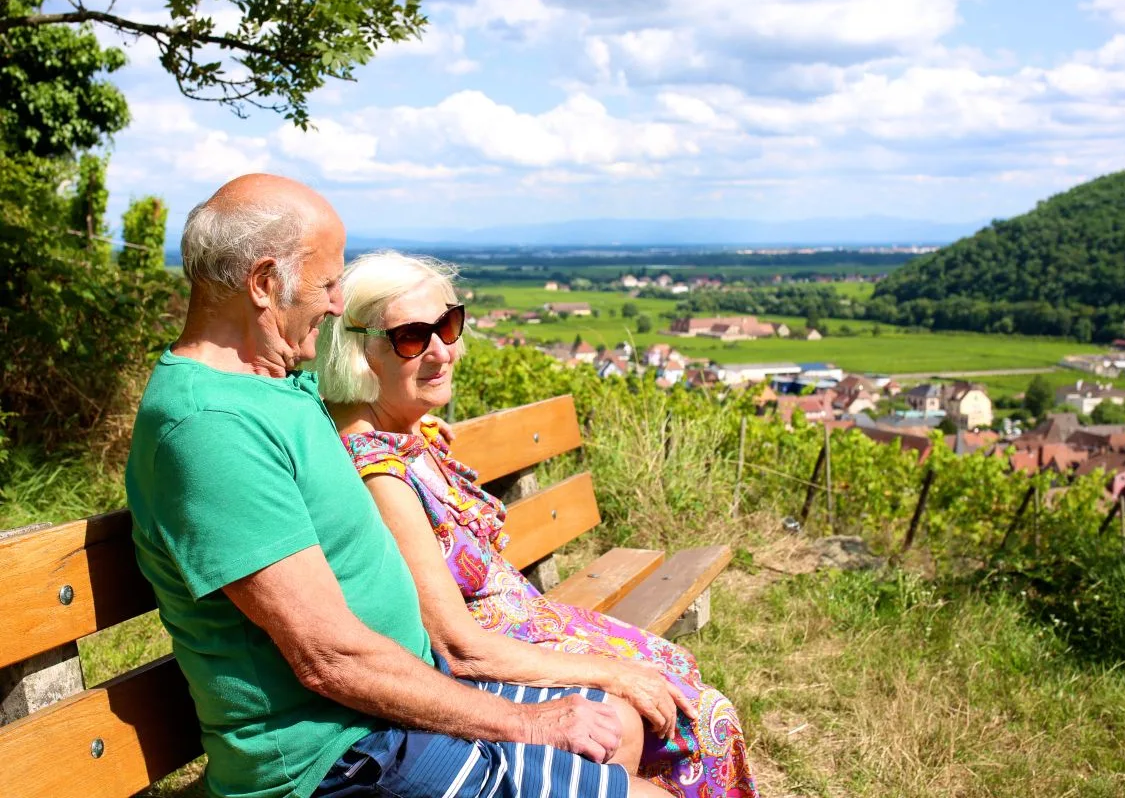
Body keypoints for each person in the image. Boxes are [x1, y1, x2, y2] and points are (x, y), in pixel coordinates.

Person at [125, 174, 671, 798]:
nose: (335, 306)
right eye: (327, 284)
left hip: (396, 700)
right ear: (264, 284)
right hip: (340, 757)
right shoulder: (211, 431)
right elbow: (328, 659)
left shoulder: (269, 381)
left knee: (616, 727)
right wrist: (528, 723)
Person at [314, 251, 759, 798]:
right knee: (694, 712)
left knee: (679, 680)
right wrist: (609, 673)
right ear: (359, 351)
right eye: (411, 337)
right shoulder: (379, 475)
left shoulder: (401, 434)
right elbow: (459, 647)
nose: (441, 351)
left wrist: (412, 414)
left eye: (447, 326)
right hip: (487, 656)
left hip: (524, 622)